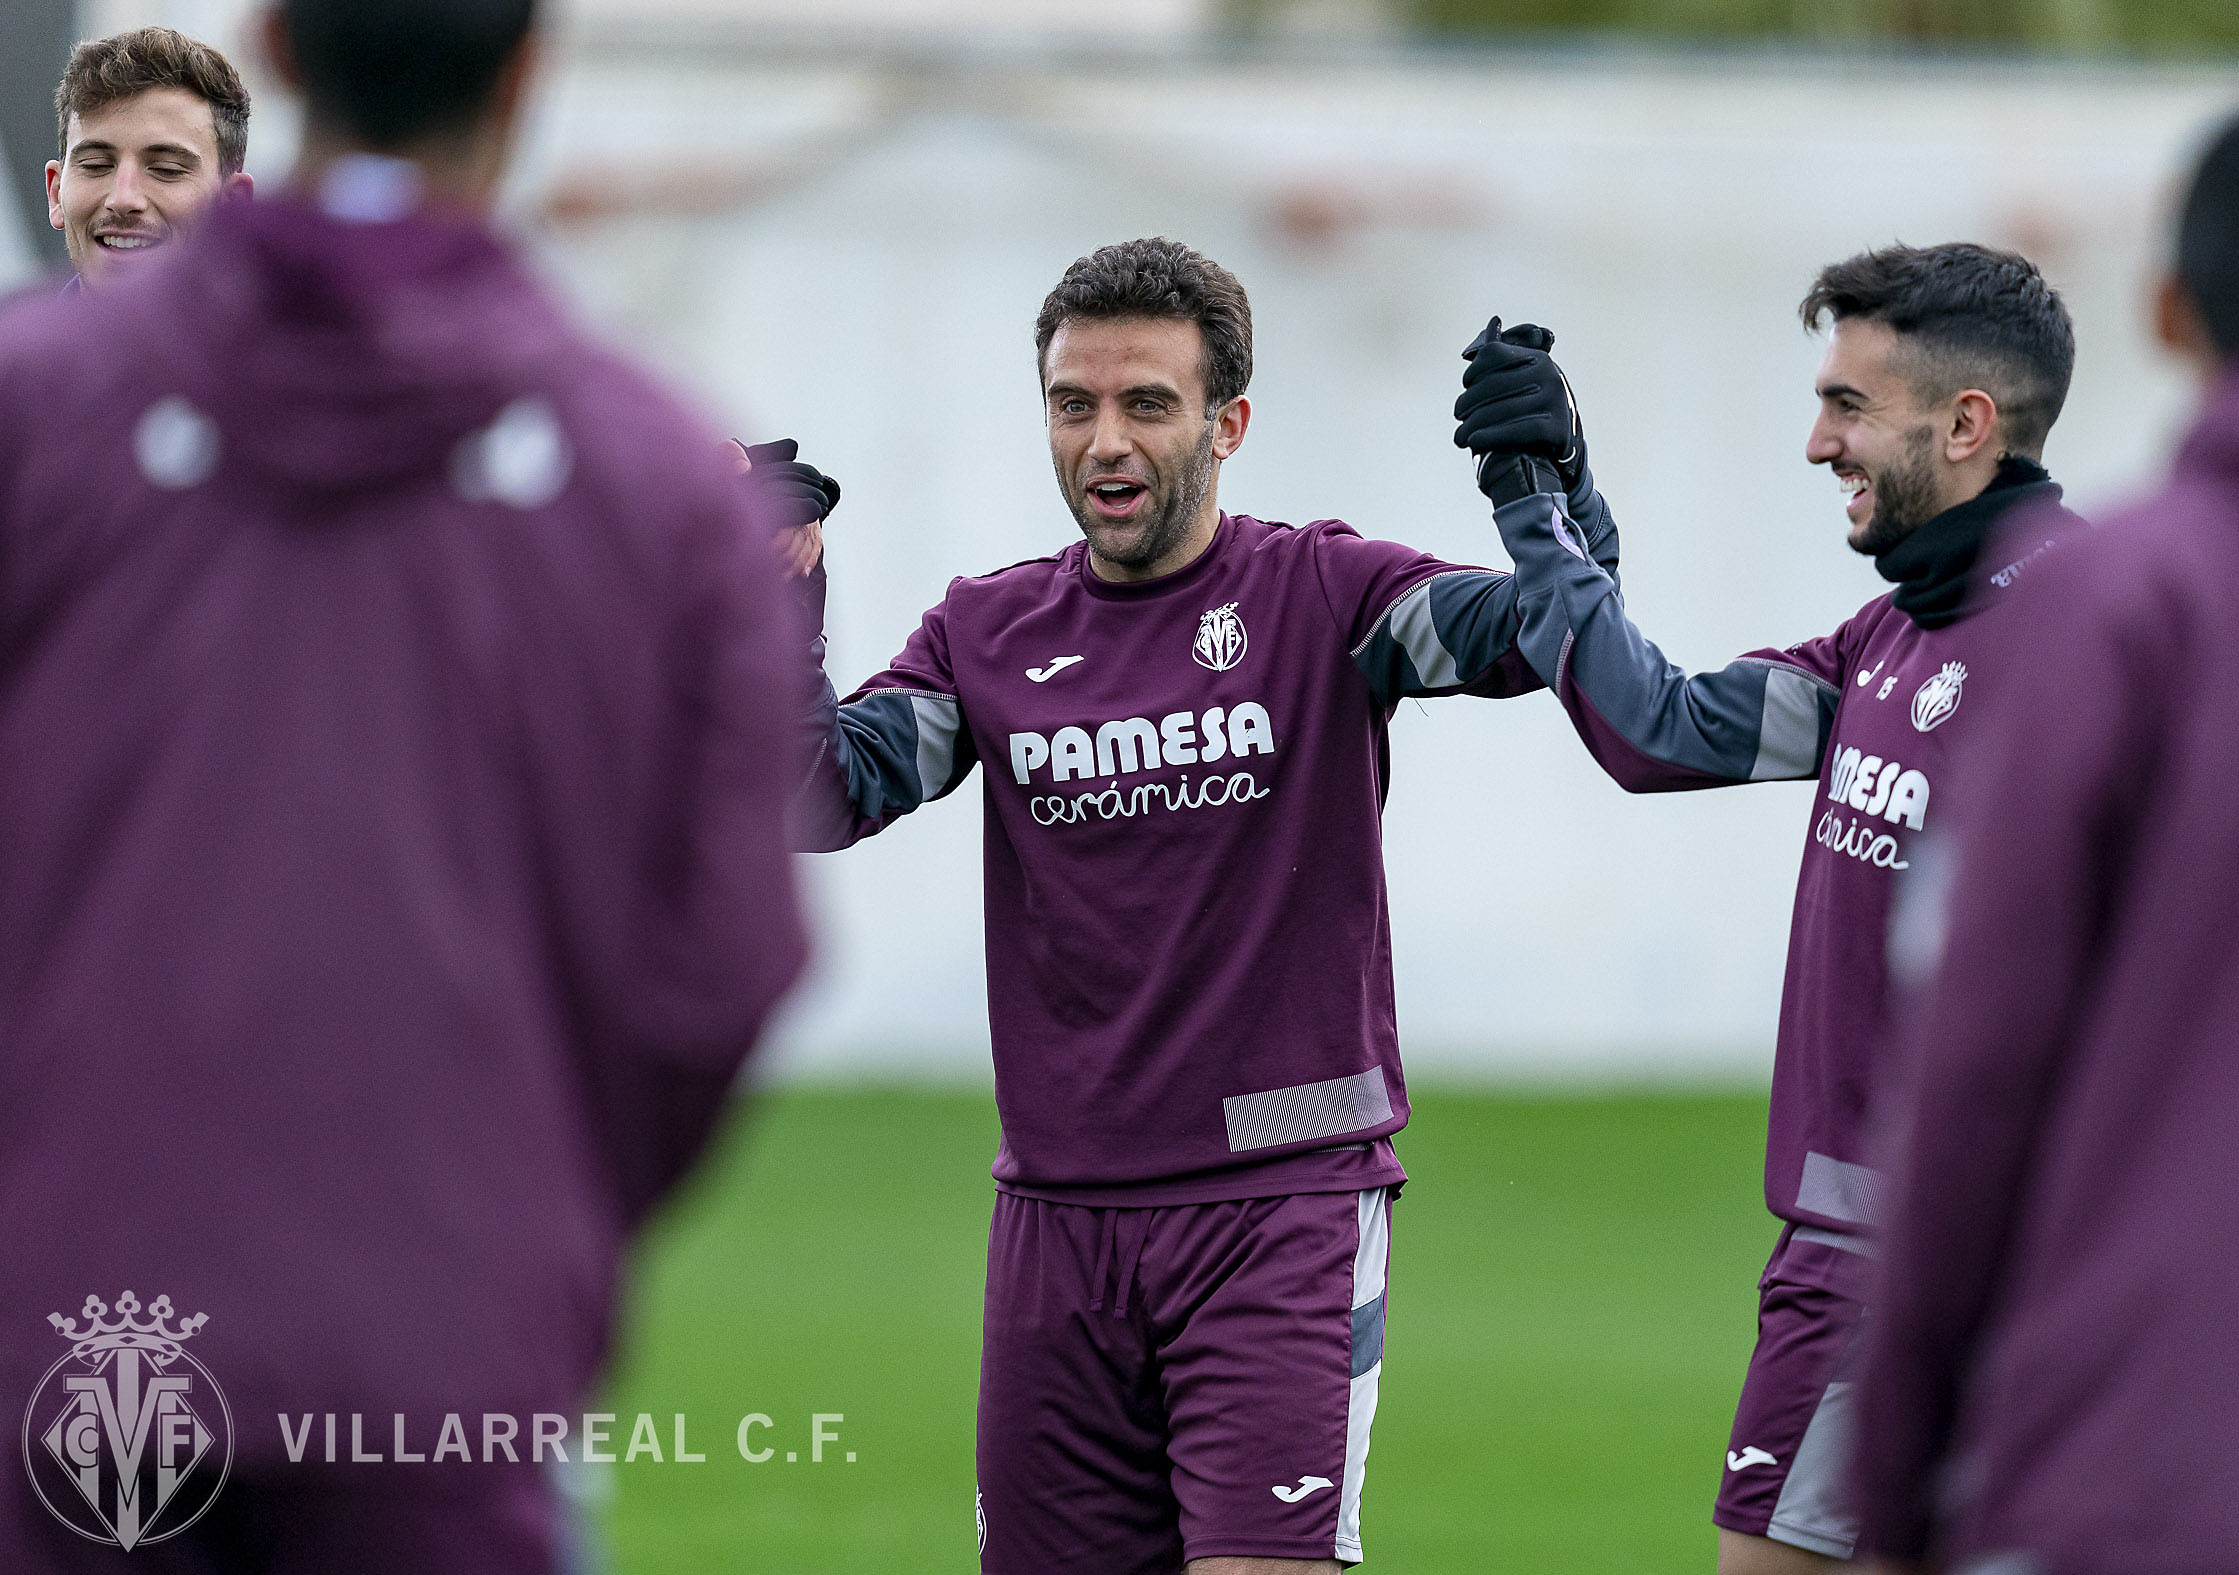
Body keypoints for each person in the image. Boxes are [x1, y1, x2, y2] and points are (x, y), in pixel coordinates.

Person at [0, 1, 810, 1570]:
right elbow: (721, 961)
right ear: (528, 65)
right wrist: (516, 1212)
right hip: (453, 1360)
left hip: (67, 1343)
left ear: (278, 52)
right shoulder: (659, 475)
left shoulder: (36, 413)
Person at [766, 235, 1545, 1574]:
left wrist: (1553, 494)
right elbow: (820, 794)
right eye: (1074, 404)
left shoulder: (1328, 593)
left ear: (1228, 422)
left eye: (1146, 403)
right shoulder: (987, 632)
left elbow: (1535, 634)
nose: (1104, 439)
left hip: (1280, 1199)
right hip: (1059, 1219)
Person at [1448, 244, 2082, 1573]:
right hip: (1890, 1259)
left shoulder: (2083, 649)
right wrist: (1545, 500)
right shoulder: (1893, 636)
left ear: (1964, 423)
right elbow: (1655, 726)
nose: (1814, 441)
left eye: (1847, 404)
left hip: (1922, 1262)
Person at [1855, 91, 2239, 1575]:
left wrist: (1891, 1489)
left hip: (2134, 1481)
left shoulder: (2118, 597)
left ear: (2164, 310)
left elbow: (1971, 1067)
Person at [44, 27, 253, 289]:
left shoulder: (302, 329)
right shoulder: (13, 329)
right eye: (96, 166)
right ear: (56, 193)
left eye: (167, 169)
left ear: (234, 206)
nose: (122, 200)